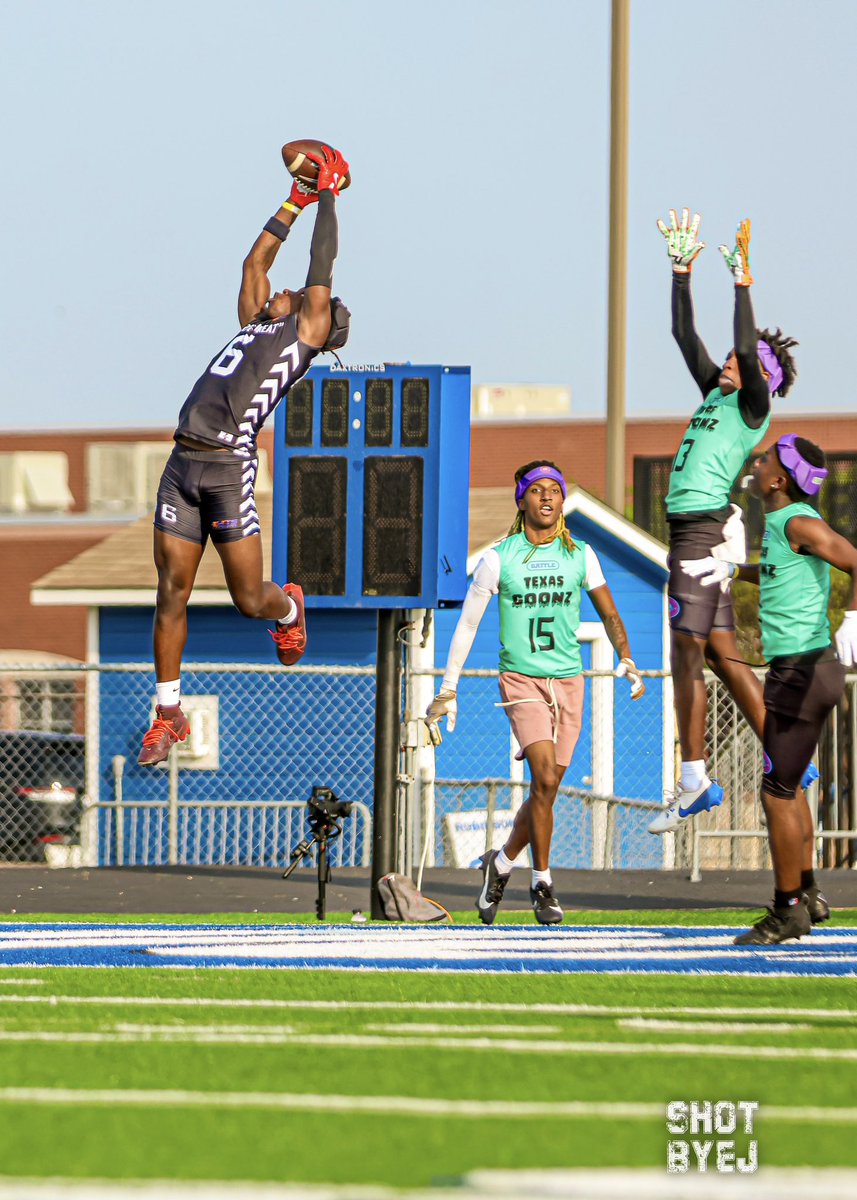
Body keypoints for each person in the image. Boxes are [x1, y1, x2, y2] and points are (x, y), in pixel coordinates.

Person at [137, 146, 351, 767]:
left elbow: (319, 264)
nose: (280, 291)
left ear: (320, 320)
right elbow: (254, 260)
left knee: (247, 599)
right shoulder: (256, 322)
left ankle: (289, 606)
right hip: (184, 462)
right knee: (171, 589)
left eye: (301, 296)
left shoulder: (305, 331)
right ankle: (168, 713)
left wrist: (330, 193)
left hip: (229, 469)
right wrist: (294, 199)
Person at [424, 460, 646, 925]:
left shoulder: (581, 554)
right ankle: (542, 883)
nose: (547, 498)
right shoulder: (499, 557)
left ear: (563, 501)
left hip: (569, 681)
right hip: (522, 680)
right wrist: (447, 688)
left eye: (555, 491)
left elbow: (609, 614)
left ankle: (500, 863)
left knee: (547, 789)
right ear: (521, 499)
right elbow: (467, 624)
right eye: (537, 490)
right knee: (543, 778)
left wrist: (625, 656)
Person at [648, 208, 801, 835]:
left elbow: (742, 346)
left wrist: (742, 284)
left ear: (764, 375)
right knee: (720, 656)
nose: (734, 362)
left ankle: (692, 781)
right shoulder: (718, 392)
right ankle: (787, 752)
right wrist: (682, 273)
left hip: (698, 531)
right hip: (697, 531)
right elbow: (686, 336)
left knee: (684, 655)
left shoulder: (753, 405)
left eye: (750, 359)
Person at [682, 436, 857, 943]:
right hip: (801, 671)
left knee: (777, 790)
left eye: (765, 461)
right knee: (790, 782)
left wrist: (852, 616)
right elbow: (784, 571)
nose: (756, 465)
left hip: (803, 671)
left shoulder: (799, 521)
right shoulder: (784, 527)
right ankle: (807, 895)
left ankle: (789, 910)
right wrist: (736, 570)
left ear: (779, 480)